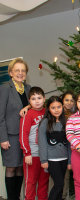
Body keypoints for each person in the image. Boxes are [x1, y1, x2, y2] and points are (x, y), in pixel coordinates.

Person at [0, 58, 31, 200]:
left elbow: (36, 104)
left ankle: (17, 197)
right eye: (17, 70)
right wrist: (3, 138)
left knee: (20, 168)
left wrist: (28, 106)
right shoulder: (5, 88)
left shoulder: (29, 89)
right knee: (11, 168)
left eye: (23, 71)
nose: (20, 73)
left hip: (25, 136)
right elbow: (0, 115)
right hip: (10, 136)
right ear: (11, 73)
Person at [38, 96, 71, 200]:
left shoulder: (66, 121)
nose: (56, 110)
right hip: (52, 160)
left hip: (64, 159)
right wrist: (43, 160)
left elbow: (70, 143)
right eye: (53, 107)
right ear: (48, 108)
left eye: (59, 107)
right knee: (59, 184)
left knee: (61, 188)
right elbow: (42, 142)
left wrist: (70, 161)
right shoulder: (45, 122)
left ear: (63, 107)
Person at [19, 87, 49, 200]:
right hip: (32, 155)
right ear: (29, 101)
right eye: (33, 99)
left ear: (44, 99)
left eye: (39, 98)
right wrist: (27, 153)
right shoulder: (28, 114)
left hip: (45, 155)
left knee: (43, 183)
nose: (37, 101)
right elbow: (23, 135)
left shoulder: (48, 112)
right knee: (30, 183)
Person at [61, 91, 75, 200]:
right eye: (67, 100)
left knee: (66, 177)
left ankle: (64, 197)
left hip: (69, 150)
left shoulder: (74, 116)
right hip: (56, 151)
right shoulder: (55, 113)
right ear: (62, 100)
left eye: (71, 100)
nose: (69, 103)